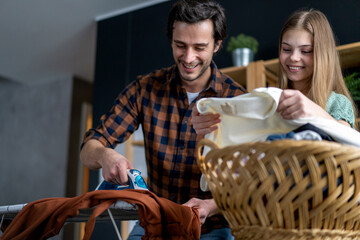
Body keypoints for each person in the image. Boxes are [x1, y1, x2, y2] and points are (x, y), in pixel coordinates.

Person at [80, 0, 246, 239]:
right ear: (170, 39)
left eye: (199, 47)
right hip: (154, 222)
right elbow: (89, 147)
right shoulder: (144, 89)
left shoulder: (238, 100)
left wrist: (212, 206)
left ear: (217, 44)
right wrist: (105, 155)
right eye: (180, 45)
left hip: (213, 226)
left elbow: (251, 182)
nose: (188, 58)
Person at [192, 8, 357, 137]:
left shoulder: (337, 103)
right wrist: (209, 121)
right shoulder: (271, 102)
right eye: (286, 49)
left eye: (305, 51)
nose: (293, 57)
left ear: (322, 56)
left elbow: (349, 141)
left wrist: (313, 110)